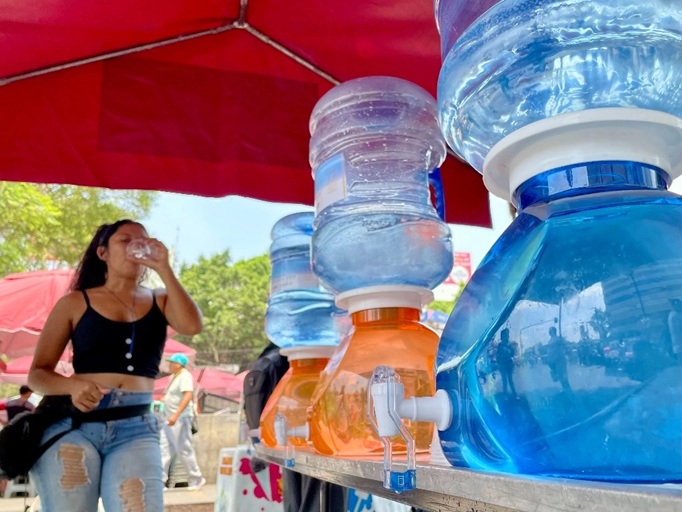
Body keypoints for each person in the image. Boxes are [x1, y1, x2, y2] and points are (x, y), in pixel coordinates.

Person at [27, 219, 203, 512]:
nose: (137, 246)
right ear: (102, 252)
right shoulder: (75, 302)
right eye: (125, 240)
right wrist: (72, 385)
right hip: (75, 426)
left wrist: (164, 269)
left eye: (144, 240)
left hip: (137, 426)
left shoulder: (160, 298)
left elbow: (192, 325)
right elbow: (38, 374)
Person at [159, 353, 205, 491]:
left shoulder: (184, 376)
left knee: (184, 448)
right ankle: (160, 481)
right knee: (164, 448)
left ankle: (196, 478)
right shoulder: (174, 377)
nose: (169, 365)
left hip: (180, 418)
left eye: (172, 362)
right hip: (169, 418)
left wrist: (176, 414)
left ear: (178, 364)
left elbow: (188, 395)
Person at [545, 326, 571, 392]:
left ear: (553, 331)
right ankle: (565, 388)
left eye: (550, 331)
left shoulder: (557, 339)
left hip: (559, 360)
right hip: (554, 361)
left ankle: (567, 389)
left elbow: (563, 345)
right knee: (559, 375)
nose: (549, 332)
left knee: (562, 375)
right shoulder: (551, 340)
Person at [495, 329, 518, 396]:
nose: (506, 336)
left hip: (509, 364)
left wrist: (512, 358)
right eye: (504, 335)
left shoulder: (510, 345)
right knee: (504, 380)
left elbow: (514, 354)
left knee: (510, 380)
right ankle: (505, 394)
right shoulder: (500, 345)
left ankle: (515, 394)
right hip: (502, 365)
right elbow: (497, 355)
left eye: (506, 335)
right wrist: (498, 362)